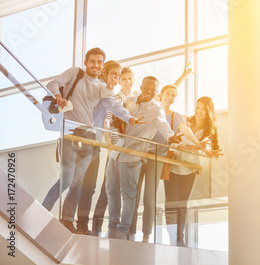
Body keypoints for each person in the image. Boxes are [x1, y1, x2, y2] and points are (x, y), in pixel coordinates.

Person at [41, 48, 143, 232]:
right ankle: (42, 212)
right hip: (70, 132)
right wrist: (58, 96)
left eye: (99, 62)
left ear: (102, 65)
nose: (96, 65)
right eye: (93, 61)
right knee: (66, 178)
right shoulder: (75, 73)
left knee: (79, 182)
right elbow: (53, 83)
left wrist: (130, 118)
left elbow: (113, 104)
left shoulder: (101, 87)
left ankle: (67, 221)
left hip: (87, 136)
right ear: (86, 62)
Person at [129, 62, 205, 242]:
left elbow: (184, 129)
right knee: (133, 195)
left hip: (157, 157)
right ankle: (129, 232)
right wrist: (182, 77)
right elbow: (168, 89)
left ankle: (147, 235)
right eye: (167, 94)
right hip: (139, 154)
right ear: (159, 94)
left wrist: (198, 144)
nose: (171, 97)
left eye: (174, 96)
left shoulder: (175, 116)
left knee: (149, 198)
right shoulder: (151, 106)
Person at [105, 76, 181, 240]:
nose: (150, 91)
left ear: (157, 91)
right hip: (116, 152)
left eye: (154, 89)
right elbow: (116, 120)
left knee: (129, 195)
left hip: (133, 156)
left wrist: (171, 137)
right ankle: (111, 227)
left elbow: (163, 125)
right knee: (111, 190)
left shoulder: (156, 110)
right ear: (141, 86)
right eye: (147, 87)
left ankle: (122, 231)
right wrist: (114, 122)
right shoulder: (130, 101)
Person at [75, 62, 143, 235]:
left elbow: (158, 99)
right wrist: (111, 150)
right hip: (115, 151)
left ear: (134, 80)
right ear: (119, 81)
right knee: (108, 189)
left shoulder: (137, 99)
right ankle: (97, 227)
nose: (128, 81)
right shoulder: (115, 99)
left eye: (130, 78)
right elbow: (106, 124)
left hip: (131, 153)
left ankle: (129, 230)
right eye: (124, 79)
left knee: (130, 191)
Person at [164, 96, 222, 246]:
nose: (199, 111)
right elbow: (173, 141)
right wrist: (192, 147)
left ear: (209, 112)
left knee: (182, 204)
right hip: (174, 164)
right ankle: (172, 237)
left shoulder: (208, 130)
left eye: (203, 109)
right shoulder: (183, 121)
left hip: (190, 169)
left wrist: (209, 152)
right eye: (197, 107)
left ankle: (179, 239)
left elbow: (206, 149)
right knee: (171, 203)